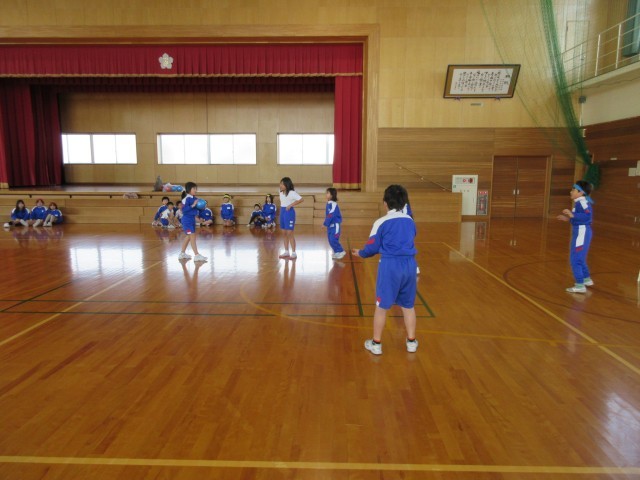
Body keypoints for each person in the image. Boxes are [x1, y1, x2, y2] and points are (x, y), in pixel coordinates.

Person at [351, 184, 418, 356]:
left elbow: (372, 248)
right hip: (410, 265)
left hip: (390, 266)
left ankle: (376, 343)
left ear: (385, 203)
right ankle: (411, 342)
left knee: (381, 307)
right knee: (408, 306)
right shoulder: (410, 221)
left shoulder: (381, 222)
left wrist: (361, 253)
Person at [556, 181, 594, 293]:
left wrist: (573, 214)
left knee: (575, 259)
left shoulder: (583, 202)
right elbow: (578, 220)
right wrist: (568, 218)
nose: (571, 191)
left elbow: (587, 216)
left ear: (581, 192)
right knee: (580, 257)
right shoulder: (579, 202)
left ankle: (580, 285)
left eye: (573, 190)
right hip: (580, 232)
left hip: (582, 233)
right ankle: (586, 279)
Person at [178, 182, 207, 262]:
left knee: (188, 237)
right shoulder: (186, 199)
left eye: (196, 188)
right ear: (188, 189)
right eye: (194, 188)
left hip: (192, 220)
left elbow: (196, 209)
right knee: (192, 237)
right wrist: (193, 205)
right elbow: (184, 210)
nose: (195, 190)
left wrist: (200, 216)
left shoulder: (195, 198)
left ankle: (182, 253)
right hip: (187, 221)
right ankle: (197, 255)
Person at [278, 177, 304, 259]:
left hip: (289, 213)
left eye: (282, 184)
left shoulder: (292, 193)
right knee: (284, 233)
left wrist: (291, 205)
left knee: (290, 233)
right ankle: (286, 252)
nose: (280, 185)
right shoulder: (280, 192)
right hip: (282, 212)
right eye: (280, 184)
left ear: (286, 185)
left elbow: (301, 199)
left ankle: (294, 253)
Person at [323, 187, 346, 259]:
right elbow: (328, 215)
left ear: (332, 195)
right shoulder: (328, 203)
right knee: (330, 240)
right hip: (330, 226)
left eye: (327, 193)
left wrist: (325, 223)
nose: (326, 194)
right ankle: (337, 252)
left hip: (335, 226)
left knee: (333, 239)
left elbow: (330, 215)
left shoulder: (333, 204)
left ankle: (341, 251)